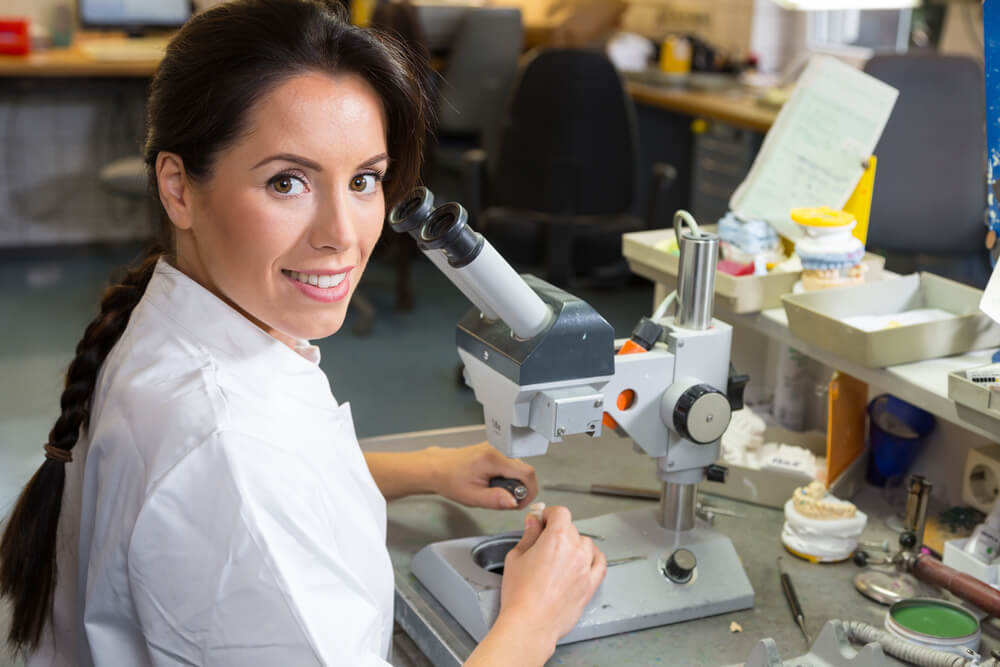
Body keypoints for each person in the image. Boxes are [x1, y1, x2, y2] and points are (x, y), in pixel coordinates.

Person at [0, 1, 606, 665]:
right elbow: (244, 480)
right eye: (287, 181)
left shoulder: (175, 317)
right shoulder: (224, 446)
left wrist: (427, 466)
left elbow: (281, 472)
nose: (342, 235)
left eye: (364, 180)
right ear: (179, 188)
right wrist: (531, 619)